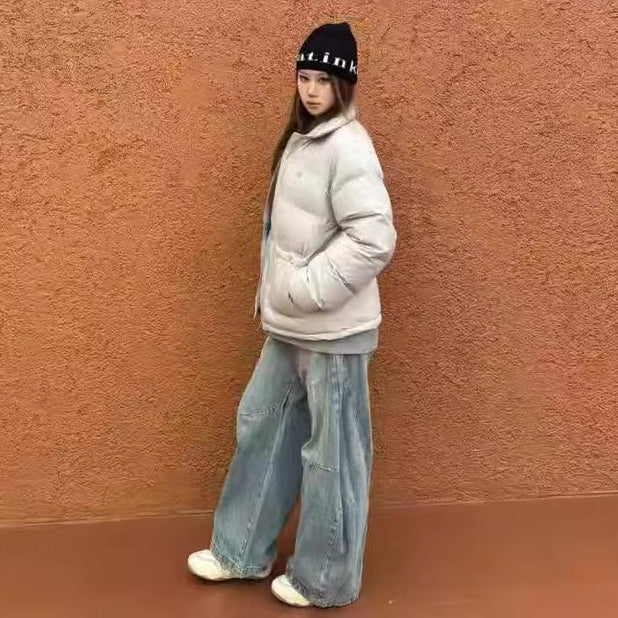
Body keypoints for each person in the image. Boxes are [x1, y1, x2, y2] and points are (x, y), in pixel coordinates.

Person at [187, 21, 396, 608]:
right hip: (289, 327)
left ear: (344, 85)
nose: (311, 89)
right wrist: (285, 296)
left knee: (333, 458)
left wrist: (305, 289)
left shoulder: (349, 147)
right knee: (262, 425)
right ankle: (239, 551)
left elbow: (374, 238)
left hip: (334, 332)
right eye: (305, 77)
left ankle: (324, 579)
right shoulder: (304, 140)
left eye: (324, 80)